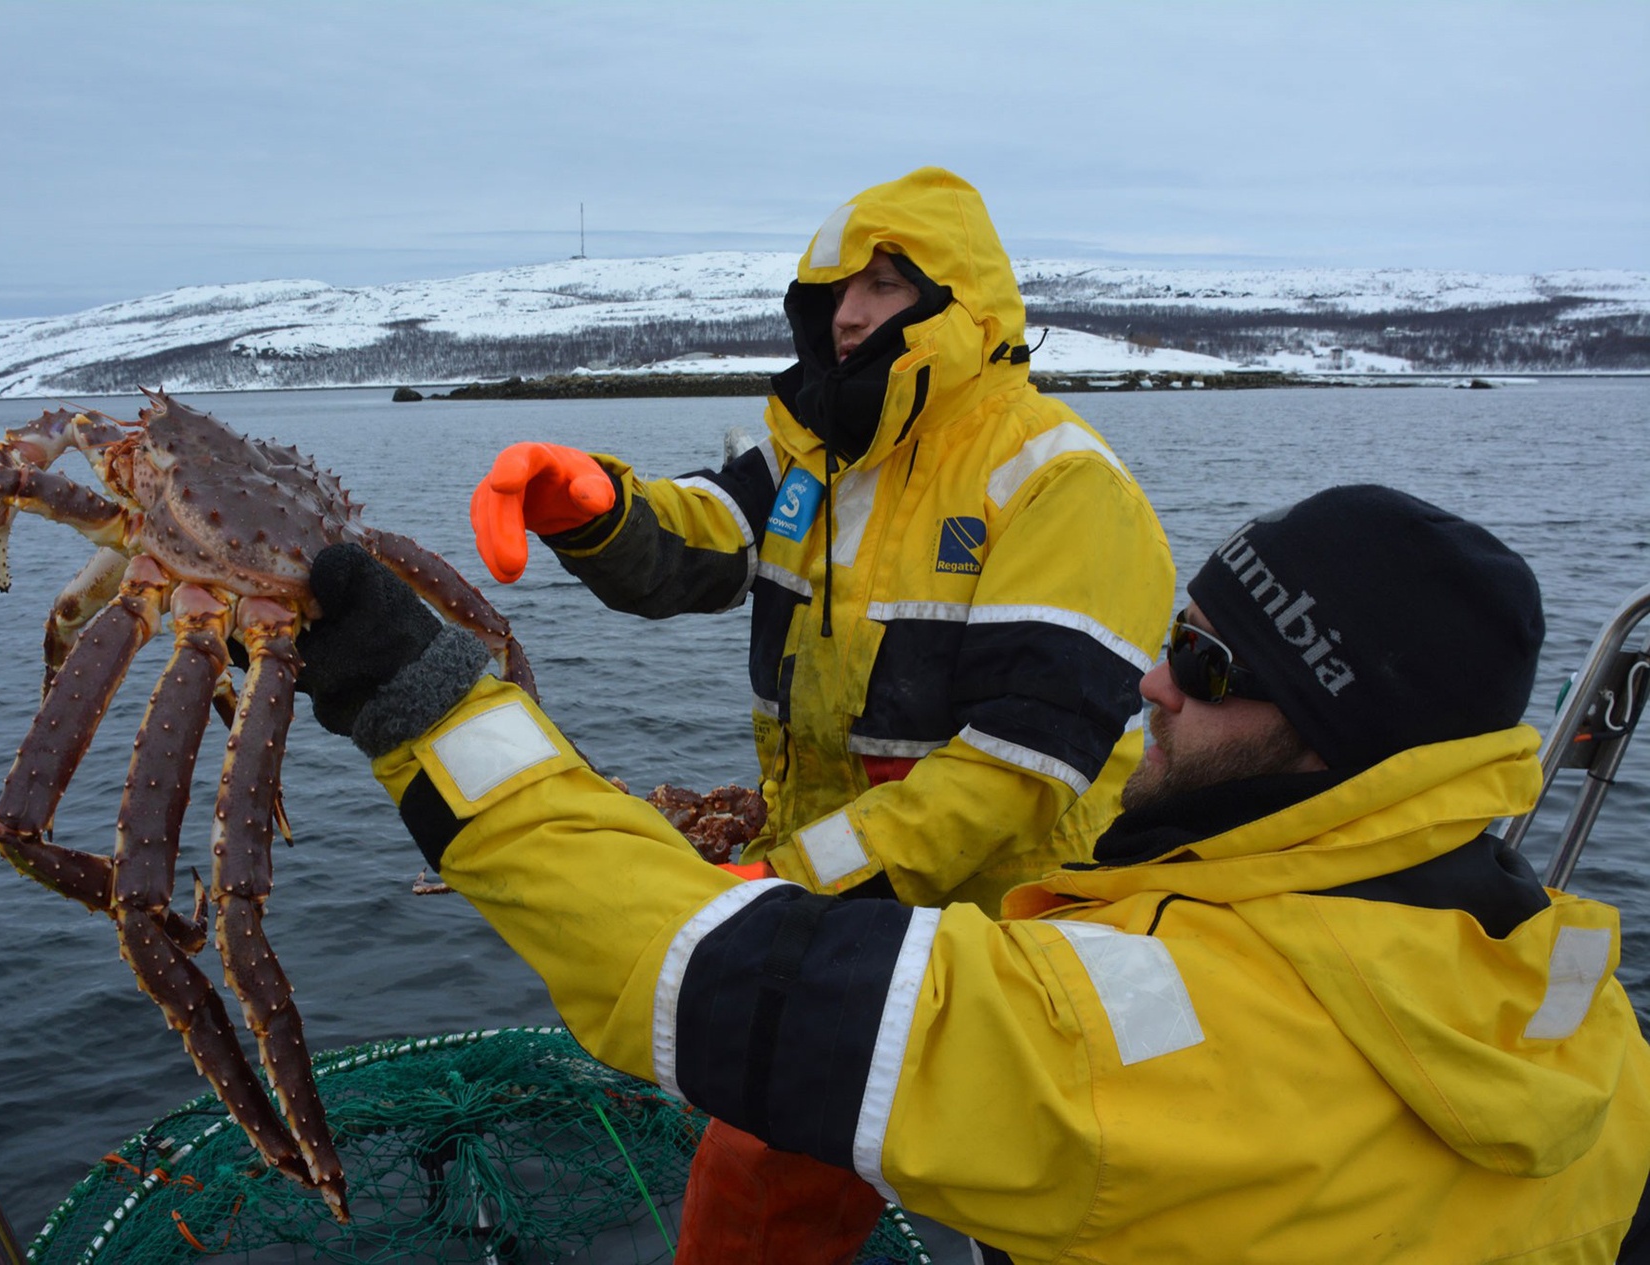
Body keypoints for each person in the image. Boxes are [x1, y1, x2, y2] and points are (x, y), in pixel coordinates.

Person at [295, 484, 1650, 1261]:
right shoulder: (1574, 994)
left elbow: (713, 977)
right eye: (1182, 632)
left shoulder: (1139, 1059)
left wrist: (429, 710)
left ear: (1338, 752)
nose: (1154, 680)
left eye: (1215, 669)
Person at [467, 168, 1175, 1258]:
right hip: (837, 902)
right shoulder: (811, 457)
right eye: (835, 286)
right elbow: (706, 534)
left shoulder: (1059, 486)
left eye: (886, 284)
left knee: (1048, 1217)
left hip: (1018, 945)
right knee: (756, 1187)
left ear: (962, 304)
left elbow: (1009, 774)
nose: (847, 311)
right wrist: (598, 505)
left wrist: (790, 882)